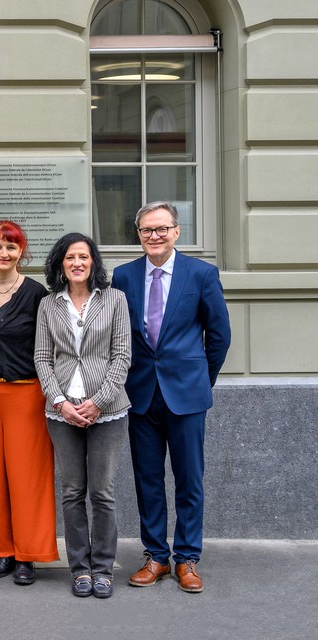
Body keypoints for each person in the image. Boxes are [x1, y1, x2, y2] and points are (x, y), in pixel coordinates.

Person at [112, 201, 230, 594]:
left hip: (186, 393)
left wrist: (200, 379)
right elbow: (120, 335)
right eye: (146, 230)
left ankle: (188, 558)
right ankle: (156, 556)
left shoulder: (201, 273)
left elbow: (219, 336)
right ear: (139, 234)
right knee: (147, 479)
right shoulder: (124, 276)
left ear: (177, 232)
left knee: (188, 479)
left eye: (161, 229)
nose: (154, 236)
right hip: (142, 393)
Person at [34, 233, 131, 599]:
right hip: (62, 412)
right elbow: (42, 358)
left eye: (84, 257)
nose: (77, 263)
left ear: (94, 263)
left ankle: (104, 567)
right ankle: (80, 569)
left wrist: (99, 402)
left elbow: (122, 356)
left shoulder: (115, 300)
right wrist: (60, 402)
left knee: (102, 492)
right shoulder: (48, 305)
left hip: (108, 410)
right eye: (70, 257)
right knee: (72, 492)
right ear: (61, 263)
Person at [0, 220, 57, 585]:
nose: (4, 254)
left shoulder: (37, 295)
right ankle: (0, 551)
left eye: (11, 248)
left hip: (26, 393)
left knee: (27, 475)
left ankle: (27, 554)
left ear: (22, 253)